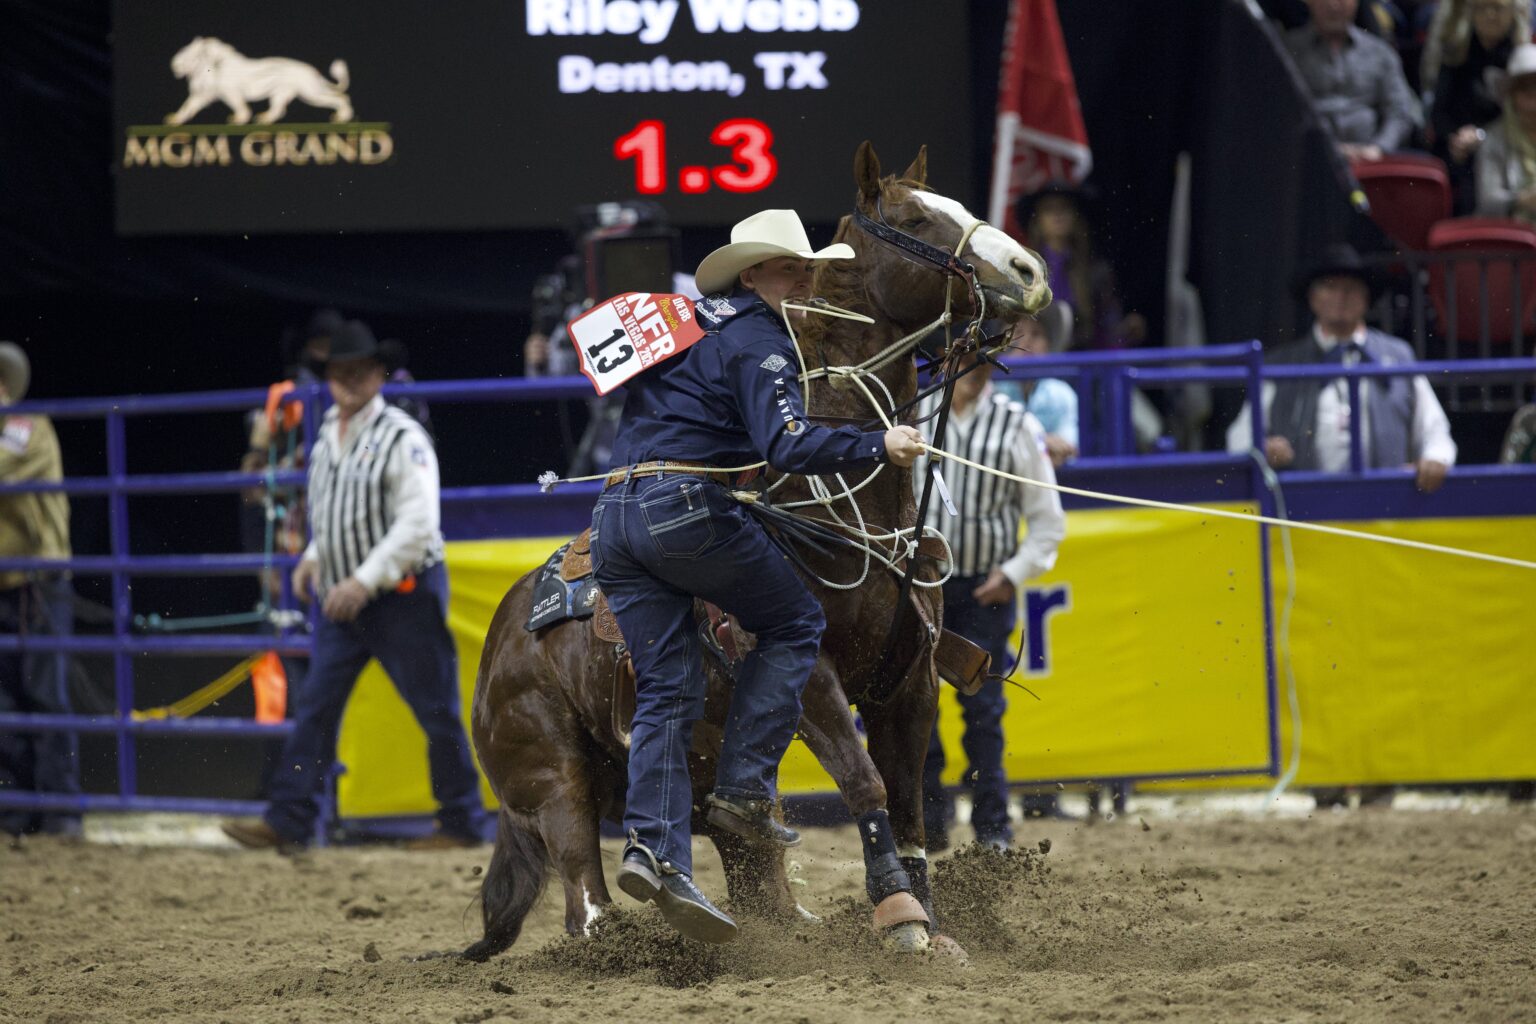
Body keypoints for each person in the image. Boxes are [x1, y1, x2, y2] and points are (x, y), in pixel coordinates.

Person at [590, 209, 926, 943]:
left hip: (615, 517)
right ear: (752, 275)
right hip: (684, 510)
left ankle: (657, 853)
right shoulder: (761, 339)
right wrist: (881, 443)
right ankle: (743, 788)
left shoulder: (684, 323)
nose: (802, 279)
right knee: (797, 620)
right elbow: (787, 443)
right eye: (788, 268)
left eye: (806, 268)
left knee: (670, 690)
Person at [222, 321, 486, 852]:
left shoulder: (402, 436)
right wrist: (316, 557)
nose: (349, 380)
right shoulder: (327, 439)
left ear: (377, 374)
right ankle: (289, 819)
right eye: (340, 372)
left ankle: (459, 821)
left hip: (401, 594)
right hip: (349, 595)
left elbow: (417, 525)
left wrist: (360, 580)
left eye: (359, 371)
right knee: (317, 706)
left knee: (434, 710)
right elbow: (334, 514)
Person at [914, 348, 1066, 849]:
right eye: (965, 360)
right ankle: (927, 821)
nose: (975, 373)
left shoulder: (1015, 424)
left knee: (984, 710)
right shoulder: (912, 413)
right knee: (916, 708)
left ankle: (992, 827)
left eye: (983, 363)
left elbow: (1047, 519)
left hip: (985, 588)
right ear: (943, 362)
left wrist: (1014, 572)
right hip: (917, 587)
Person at [1226, 244, 1456, 491]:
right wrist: (1262, 449)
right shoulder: (1281, 364)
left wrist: (1434, 459)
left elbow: (1434, 428)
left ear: (1366, 299)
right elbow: (1240, 438)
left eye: (1351, 289)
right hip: (1304, 509)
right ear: (1313, 299)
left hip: (1385, 505)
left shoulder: (1398, 356)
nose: (1341, 296)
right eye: (1330, 287)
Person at [0, 342, 80, 838]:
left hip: (37, 582)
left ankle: (60, 812)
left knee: (46, 695)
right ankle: (17, 810)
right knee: (6, 702)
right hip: (9, 582)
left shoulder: (28, 427)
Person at [1283, 0, 1422, 163]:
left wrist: (1379, 147)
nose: (1333, 5)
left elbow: (1400, 111)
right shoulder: (1287, 50)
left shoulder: (1380, 52)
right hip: (1307, 161)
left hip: (1370, 158)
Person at [1018, 184, 1145, 351]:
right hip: (1038, 365)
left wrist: (1126, 332)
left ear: (1076, 217)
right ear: (1037, 220)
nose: (1058, 215)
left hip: (1084, 364)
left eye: (1065, 208)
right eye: (1049, 209)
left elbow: (1108, 329)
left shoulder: (1096, 271)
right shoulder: (1023, 271)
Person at [1428, 0, 1527, 211]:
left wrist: (1482, 136)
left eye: (1498, 8)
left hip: (1507, 143)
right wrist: (1455, 137)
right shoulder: (1457, 53)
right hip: (1458, 145)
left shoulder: (1521, 58)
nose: (1490, 15)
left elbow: (1524, 113)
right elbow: (1438, 112)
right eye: (1482, 8)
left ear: (1512, 13)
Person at [994, 304, 1080, 466]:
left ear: (1049, 345)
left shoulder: (1062, 394)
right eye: (1017, 333)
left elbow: (1069, 447)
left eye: (1036, 334)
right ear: (1002, 345)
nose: (1026, 342)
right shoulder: (990, 390)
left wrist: (1055, 449)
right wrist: (1041, 444)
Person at [1475, 44, 1536, 221]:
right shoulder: (1495, 137)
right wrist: (1522, 200)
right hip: (1512, 231)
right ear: (1512, 96)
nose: (1533, 101)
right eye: (1526, 90)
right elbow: (1487, 200)